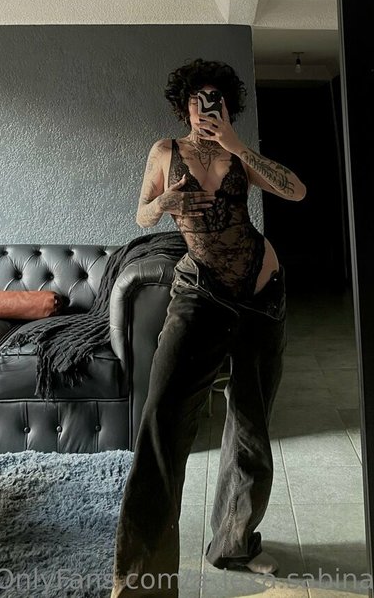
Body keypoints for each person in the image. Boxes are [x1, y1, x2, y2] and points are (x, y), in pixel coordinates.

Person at [110, 58, 306, 597]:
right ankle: (141, 579)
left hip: (263, 296)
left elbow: (296, 191)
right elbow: (143, 215)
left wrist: (238, 146)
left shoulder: (237, 152)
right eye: (198, 99)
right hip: (201, 294)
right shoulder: (165, 151)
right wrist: (164, 201)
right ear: (184, 106)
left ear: (228, 106)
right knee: (163, 418)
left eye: (216, 99)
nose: (206, 108)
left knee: (251, 426)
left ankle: (234, 544)